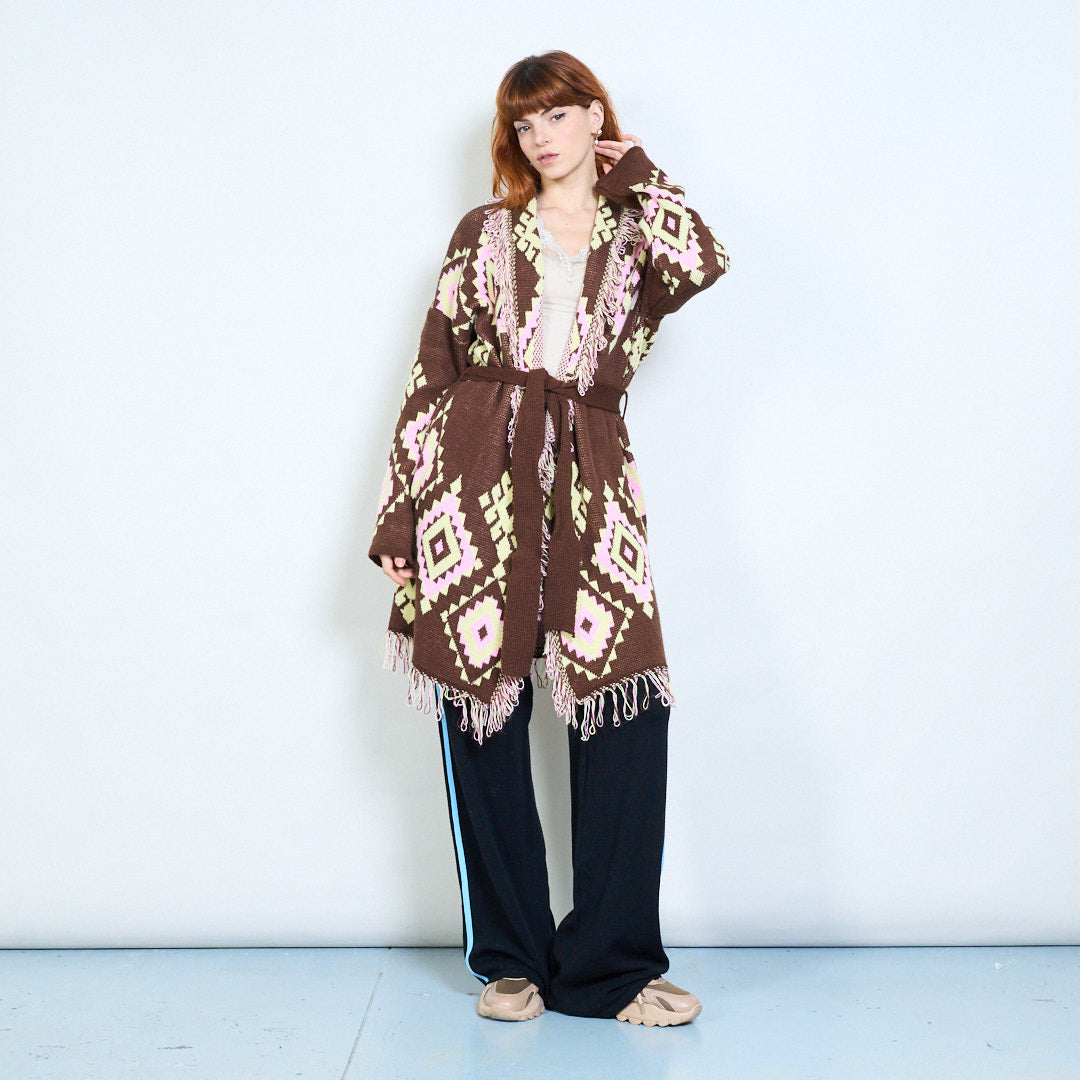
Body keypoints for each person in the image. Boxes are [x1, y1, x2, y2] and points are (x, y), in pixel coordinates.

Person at [369, 50, 729, 1025]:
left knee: (622, 711)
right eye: (524, 123)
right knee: (482, 717)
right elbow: (432, 371)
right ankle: (512, 959)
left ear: (594, 117)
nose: (541, 136)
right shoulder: (482, 233)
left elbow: (703, 261)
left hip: (592, 479)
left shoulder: (637, 233)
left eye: (559, 114)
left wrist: (639, 172)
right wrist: (402, 512)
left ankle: (611, 967)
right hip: (473, 478)